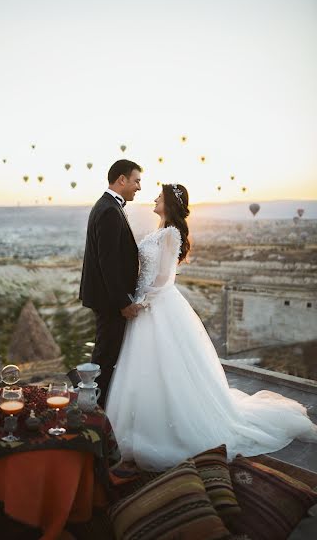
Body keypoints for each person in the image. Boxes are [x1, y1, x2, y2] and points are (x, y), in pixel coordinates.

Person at [106, 183, 317, 470]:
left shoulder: (170, 233)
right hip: (147, 304)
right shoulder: (159, 231)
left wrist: (143, 300)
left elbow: (165, 276)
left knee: (165, 366)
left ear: (169, 202)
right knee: (146, 366)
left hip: (156, 304)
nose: (154, 198)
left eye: (159, 195)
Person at [79, 159, 142, 407]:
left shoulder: (108, 206)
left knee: (106, 353)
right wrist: (122, 302)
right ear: (121, 179)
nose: (139, 187)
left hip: (107, 298)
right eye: (136, 180)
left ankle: (97, 403)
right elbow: (108, 263)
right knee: (105, 357)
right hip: (109, 301)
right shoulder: (108, 210)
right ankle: (96, 408)